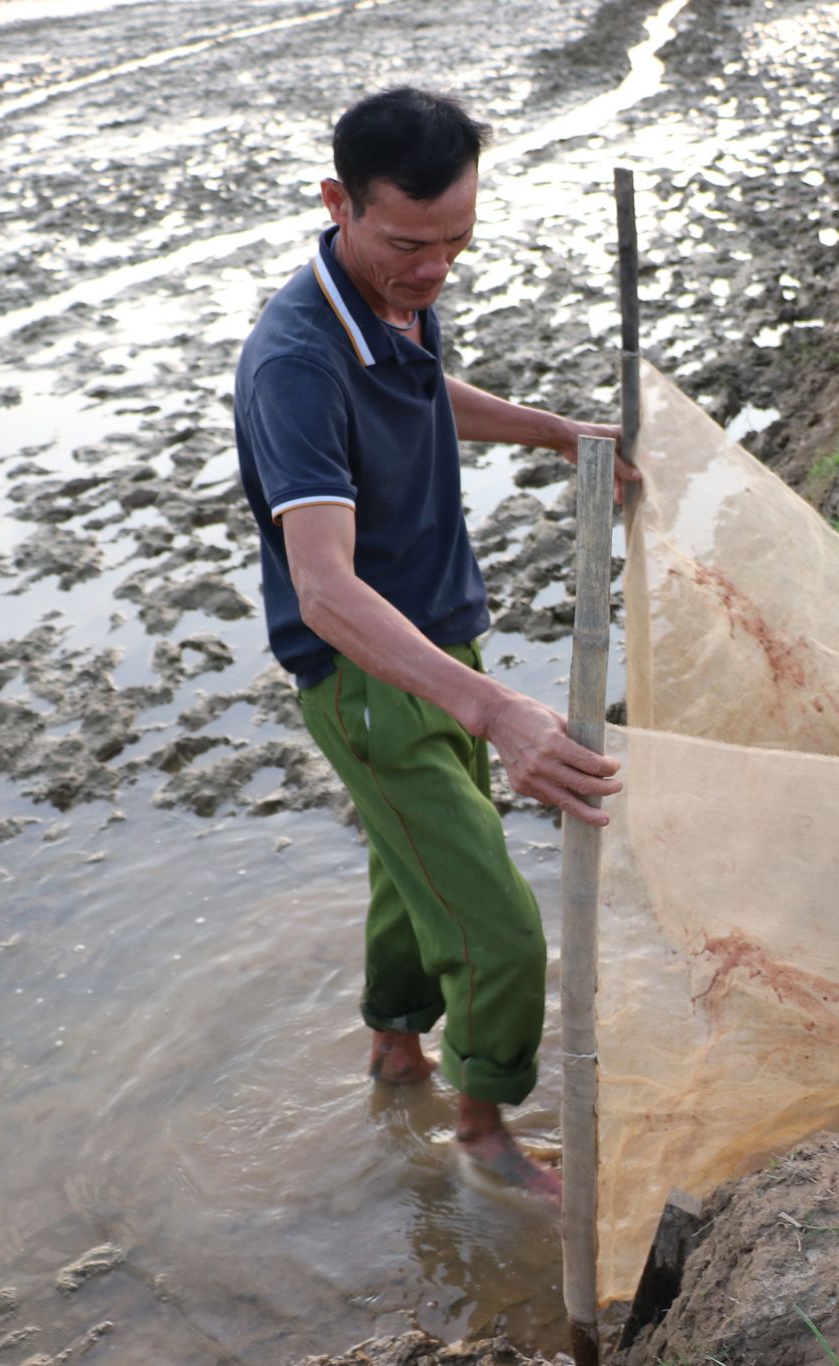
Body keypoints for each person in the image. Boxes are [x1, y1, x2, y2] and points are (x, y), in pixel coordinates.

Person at [232, 86, 636, 1203]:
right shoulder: (296, 363)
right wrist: (494, 707)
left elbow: (424, 392)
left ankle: (395, 1047)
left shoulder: (394, 304)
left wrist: (552, 429)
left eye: (455, 241)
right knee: (501, 930)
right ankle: (482, 1128)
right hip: (370, 679)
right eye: (409, 242)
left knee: (410, 874)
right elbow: (323, 591)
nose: (432, 268)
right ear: (338, 204)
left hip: (436, 643)